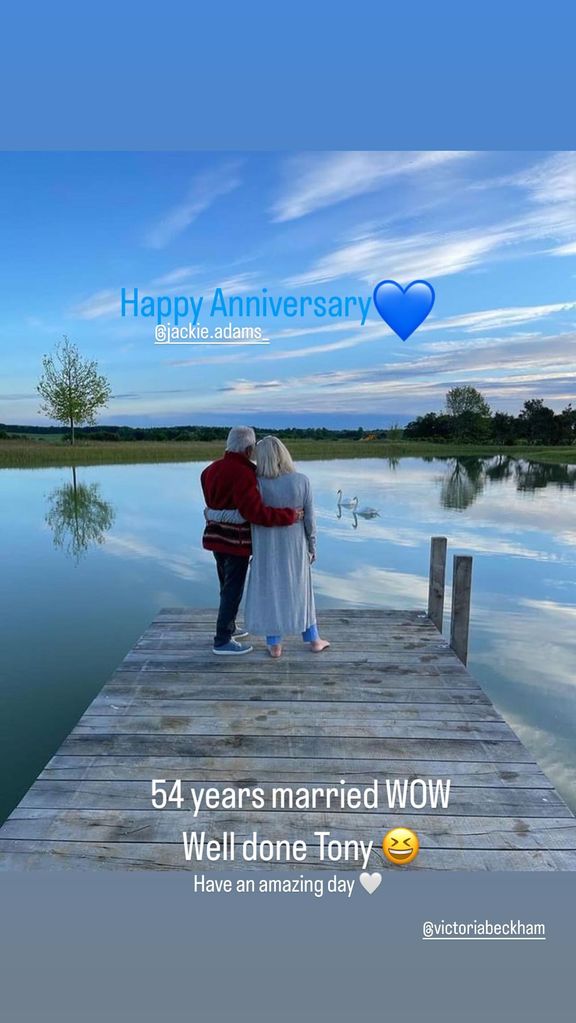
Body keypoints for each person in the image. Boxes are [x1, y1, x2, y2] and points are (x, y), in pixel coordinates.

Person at [206, 436, 329, 658]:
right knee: (302, 591)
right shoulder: (302, 481)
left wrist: (211, 513)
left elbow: (246, 514)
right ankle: (314, 638)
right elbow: (310, 520)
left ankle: (275, 644)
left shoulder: (256, 483)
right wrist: (312, 545)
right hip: (295, 547)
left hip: (265, 549)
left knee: (272, 591)